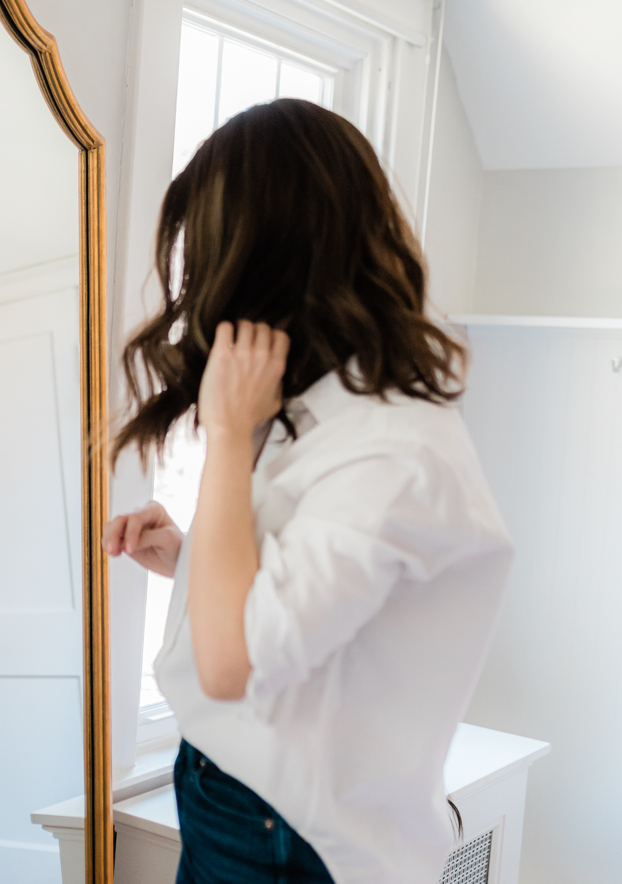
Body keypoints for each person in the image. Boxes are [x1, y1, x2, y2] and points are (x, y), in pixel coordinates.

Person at [105, 99, 513, 884]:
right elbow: (309, 610)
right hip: (242, 796)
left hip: (283, 834)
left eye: (207, 253)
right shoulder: (321, 410)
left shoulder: (387, 448)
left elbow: (233, 664)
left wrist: (225, 439)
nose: (197, 285)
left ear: (261, 256)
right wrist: (190, 558)